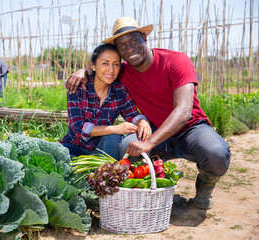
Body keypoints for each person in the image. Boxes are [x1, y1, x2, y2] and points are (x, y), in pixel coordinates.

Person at [66, 17, 231, 210]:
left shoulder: (176, 61)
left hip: (190, 128)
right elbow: (102, 69)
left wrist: (149, 143)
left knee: (216, 153)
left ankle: (205, 187)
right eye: (122, 45)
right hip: (153, 128)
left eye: (134, 41)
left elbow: (184, 111)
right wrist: (83, 72)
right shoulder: (123, 71)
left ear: (144, 37)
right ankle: (148, 191)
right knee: (127, 147)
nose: (129, 49)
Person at [60, 44, 152, 160]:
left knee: (114, 137)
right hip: (75, 145)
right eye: (105, 63)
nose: (111, 70)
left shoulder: (120, 90)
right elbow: (78, 128)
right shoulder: (78, 88)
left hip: (103, 147)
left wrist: (142, 121)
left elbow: (132, 115)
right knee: (58, 155)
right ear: (93, 65)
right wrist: (114, 128)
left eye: (116, 64)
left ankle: (106, 172)